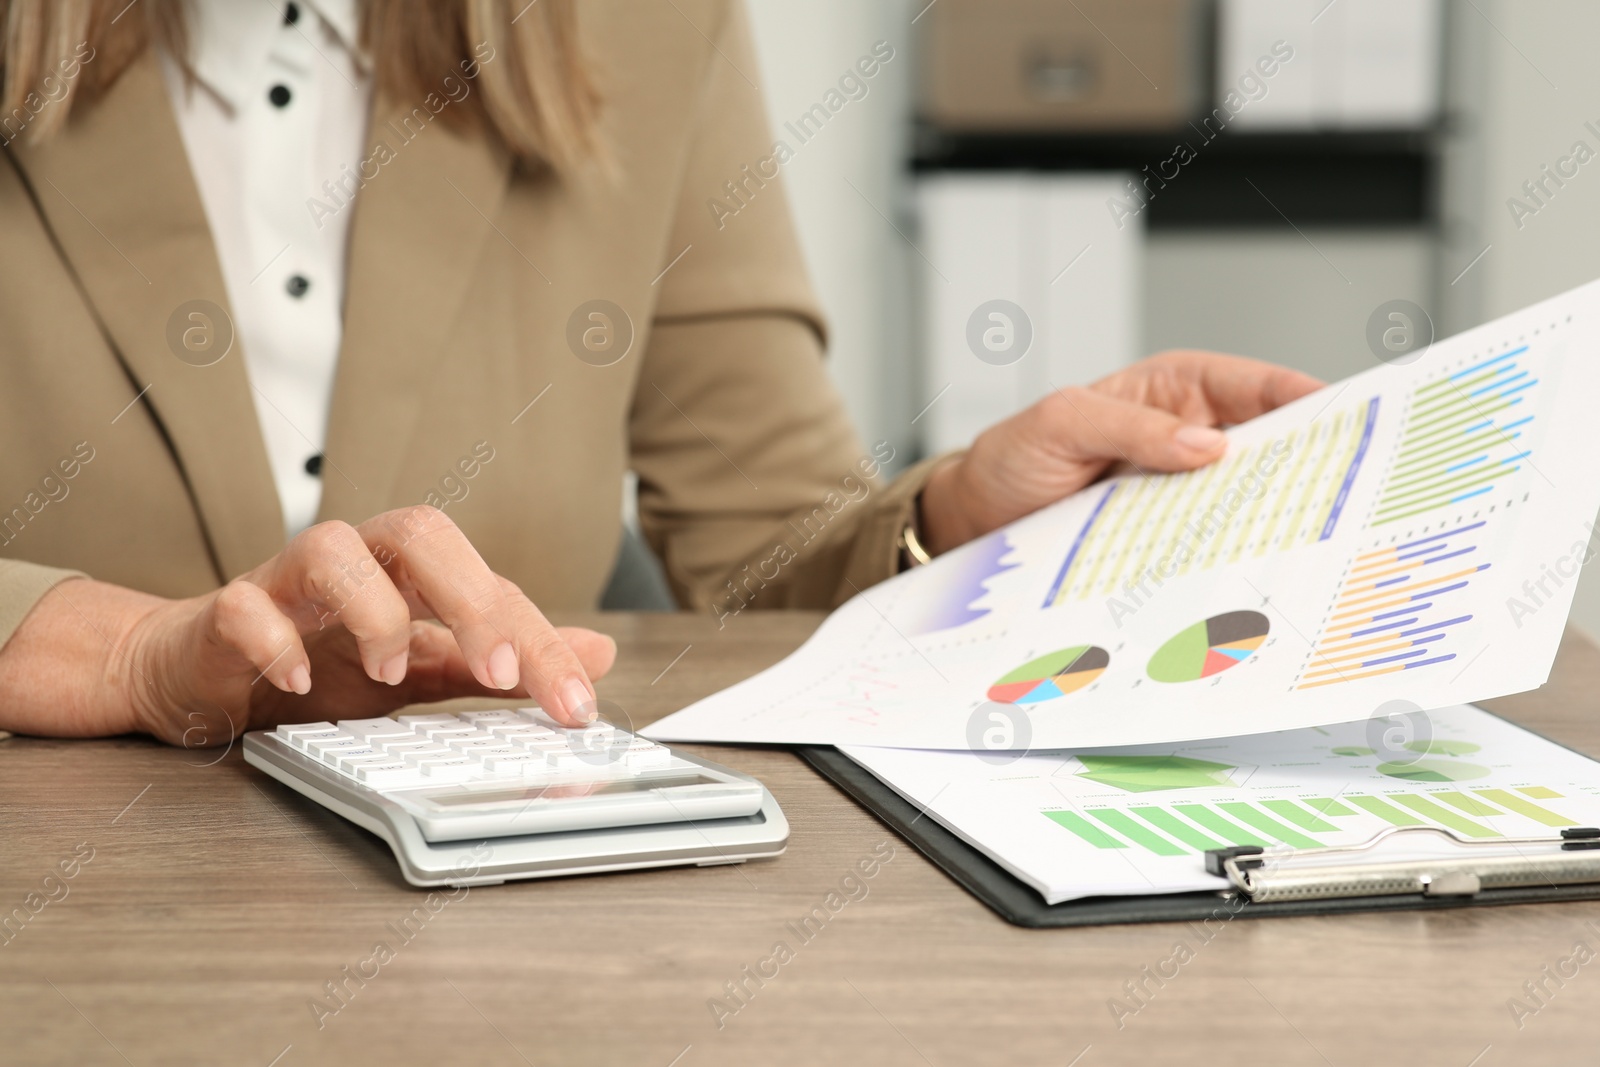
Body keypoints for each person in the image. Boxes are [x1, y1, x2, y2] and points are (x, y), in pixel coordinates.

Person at [0, 0, 1320, 747]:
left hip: (502, 900)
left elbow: (765, 541)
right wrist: (129, 655)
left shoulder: (641, 24)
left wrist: (955, 519)